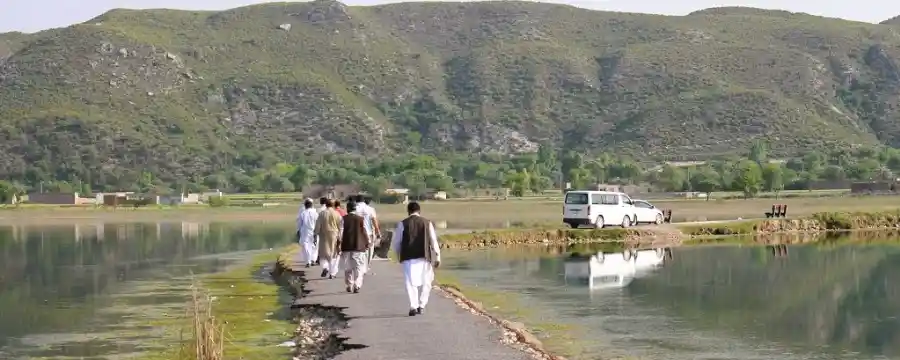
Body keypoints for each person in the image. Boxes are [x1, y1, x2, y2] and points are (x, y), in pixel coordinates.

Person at [390, 201, 441, 316]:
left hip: (408, 256)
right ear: (419, 211)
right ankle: (422, 305)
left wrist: (399, 255)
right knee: (427, 281)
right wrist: (437, 256)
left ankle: (414, 305)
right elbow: (433, 241)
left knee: (410, 282)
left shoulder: (402, 223)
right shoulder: (427, 223)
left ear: (408, 211)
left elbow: (397, 242)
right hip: (424, 256)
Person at [339, 201, 370, 293]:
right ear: (355, 209)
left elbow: (340, 233)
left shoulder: (343, 219)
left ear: (347, 209)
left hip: (346, 245)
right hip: (358, 246)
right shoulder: (360, 219)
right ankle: (357, 284)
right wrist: (367, 242)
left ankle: (349, 284)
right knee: (358, 267)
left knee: (347, 267)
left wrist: (338, 244)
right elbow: (364, 231)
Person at [315, 199, 342, 278]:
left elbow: (318, 225)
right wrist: (340, 236)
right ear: (333, 205)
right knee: (333, 254)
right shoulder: (336, 213)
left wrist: (315, 234)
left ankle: (325, 267)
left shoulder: (322, 213)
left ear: (326, 205)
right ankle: (332, 273)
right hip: (334, 234)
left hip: (324, 234)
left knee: (324, 253)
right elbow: (340, 225)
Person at [354, 195, 380, 273]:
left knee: (359, 251)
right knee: (369, 252)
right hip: (369, 233)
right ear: (364, 201)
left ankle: (360, 266)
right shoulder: (370, 209)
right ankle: (366, 267)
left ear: (356, 201)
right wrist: (377, 231)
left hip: (357, 233)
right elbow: (374, 221)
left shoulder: (354, 209)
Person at [296, 199, 319, 268]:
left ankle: (308, 261)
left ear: (305, 205)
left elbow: (299, 224)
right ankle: (312, 260)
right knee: (314, 246)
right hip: (314, 231)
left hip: (305, 232)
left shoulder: (303, 213)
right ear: (311, 205)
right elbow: (317, 224)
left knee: (305, 246)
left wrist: (298, 231)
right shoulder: (315, 213)